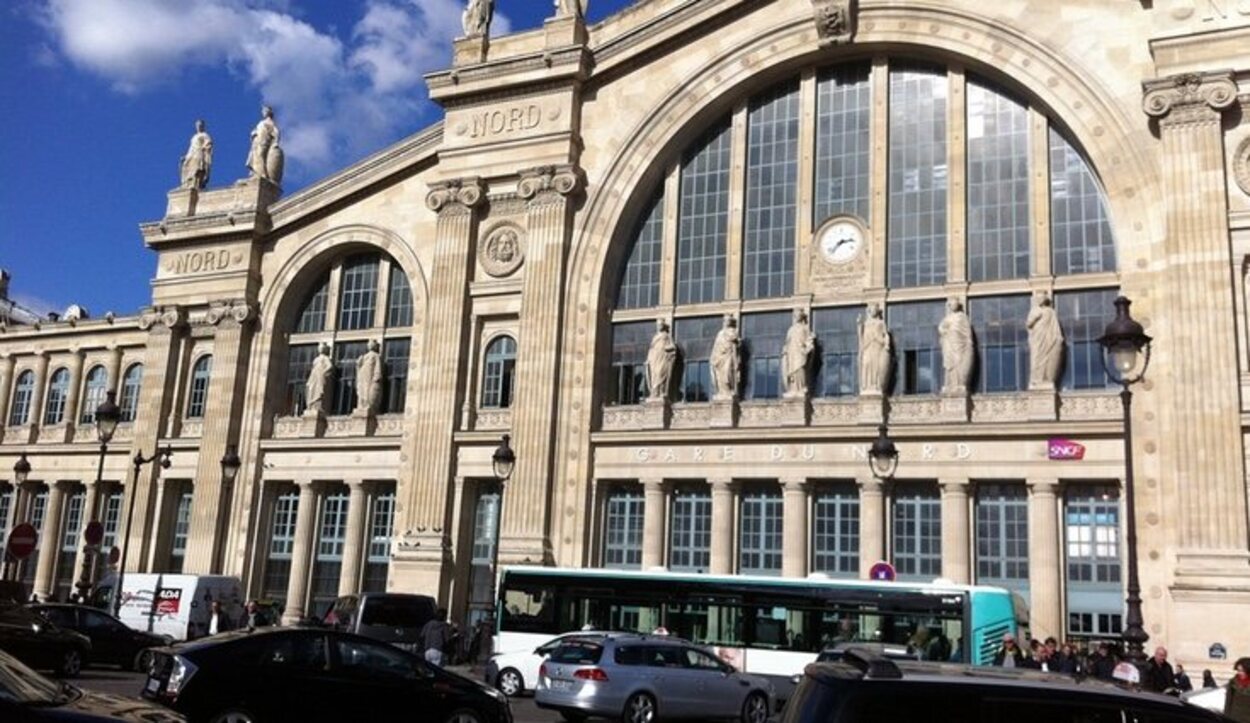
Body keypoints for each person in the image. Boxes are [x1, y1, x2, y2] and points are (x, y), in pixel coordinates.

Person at [180, 119, 213, 190]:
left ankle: (196, 184)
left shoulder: (205, 135)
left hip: (199, 153)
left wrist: (204, 149)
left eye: (200, 125)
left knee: (197, 169)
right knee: (186, 166)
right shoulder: (194, 137)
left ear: (203, 126)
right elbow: (191, 148)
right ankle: (188, 184)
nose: (199, 126)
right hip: (192, 154)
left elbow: (208, 144)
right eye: (197, 125)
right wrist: (186, 156)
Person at [1226, 657, 1250, 723]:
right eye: (1238, 670)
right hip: (1235, 718)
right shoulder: (1233, 682)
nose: (1239, 673)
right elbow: (1228, 702)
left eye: (1242, 671)